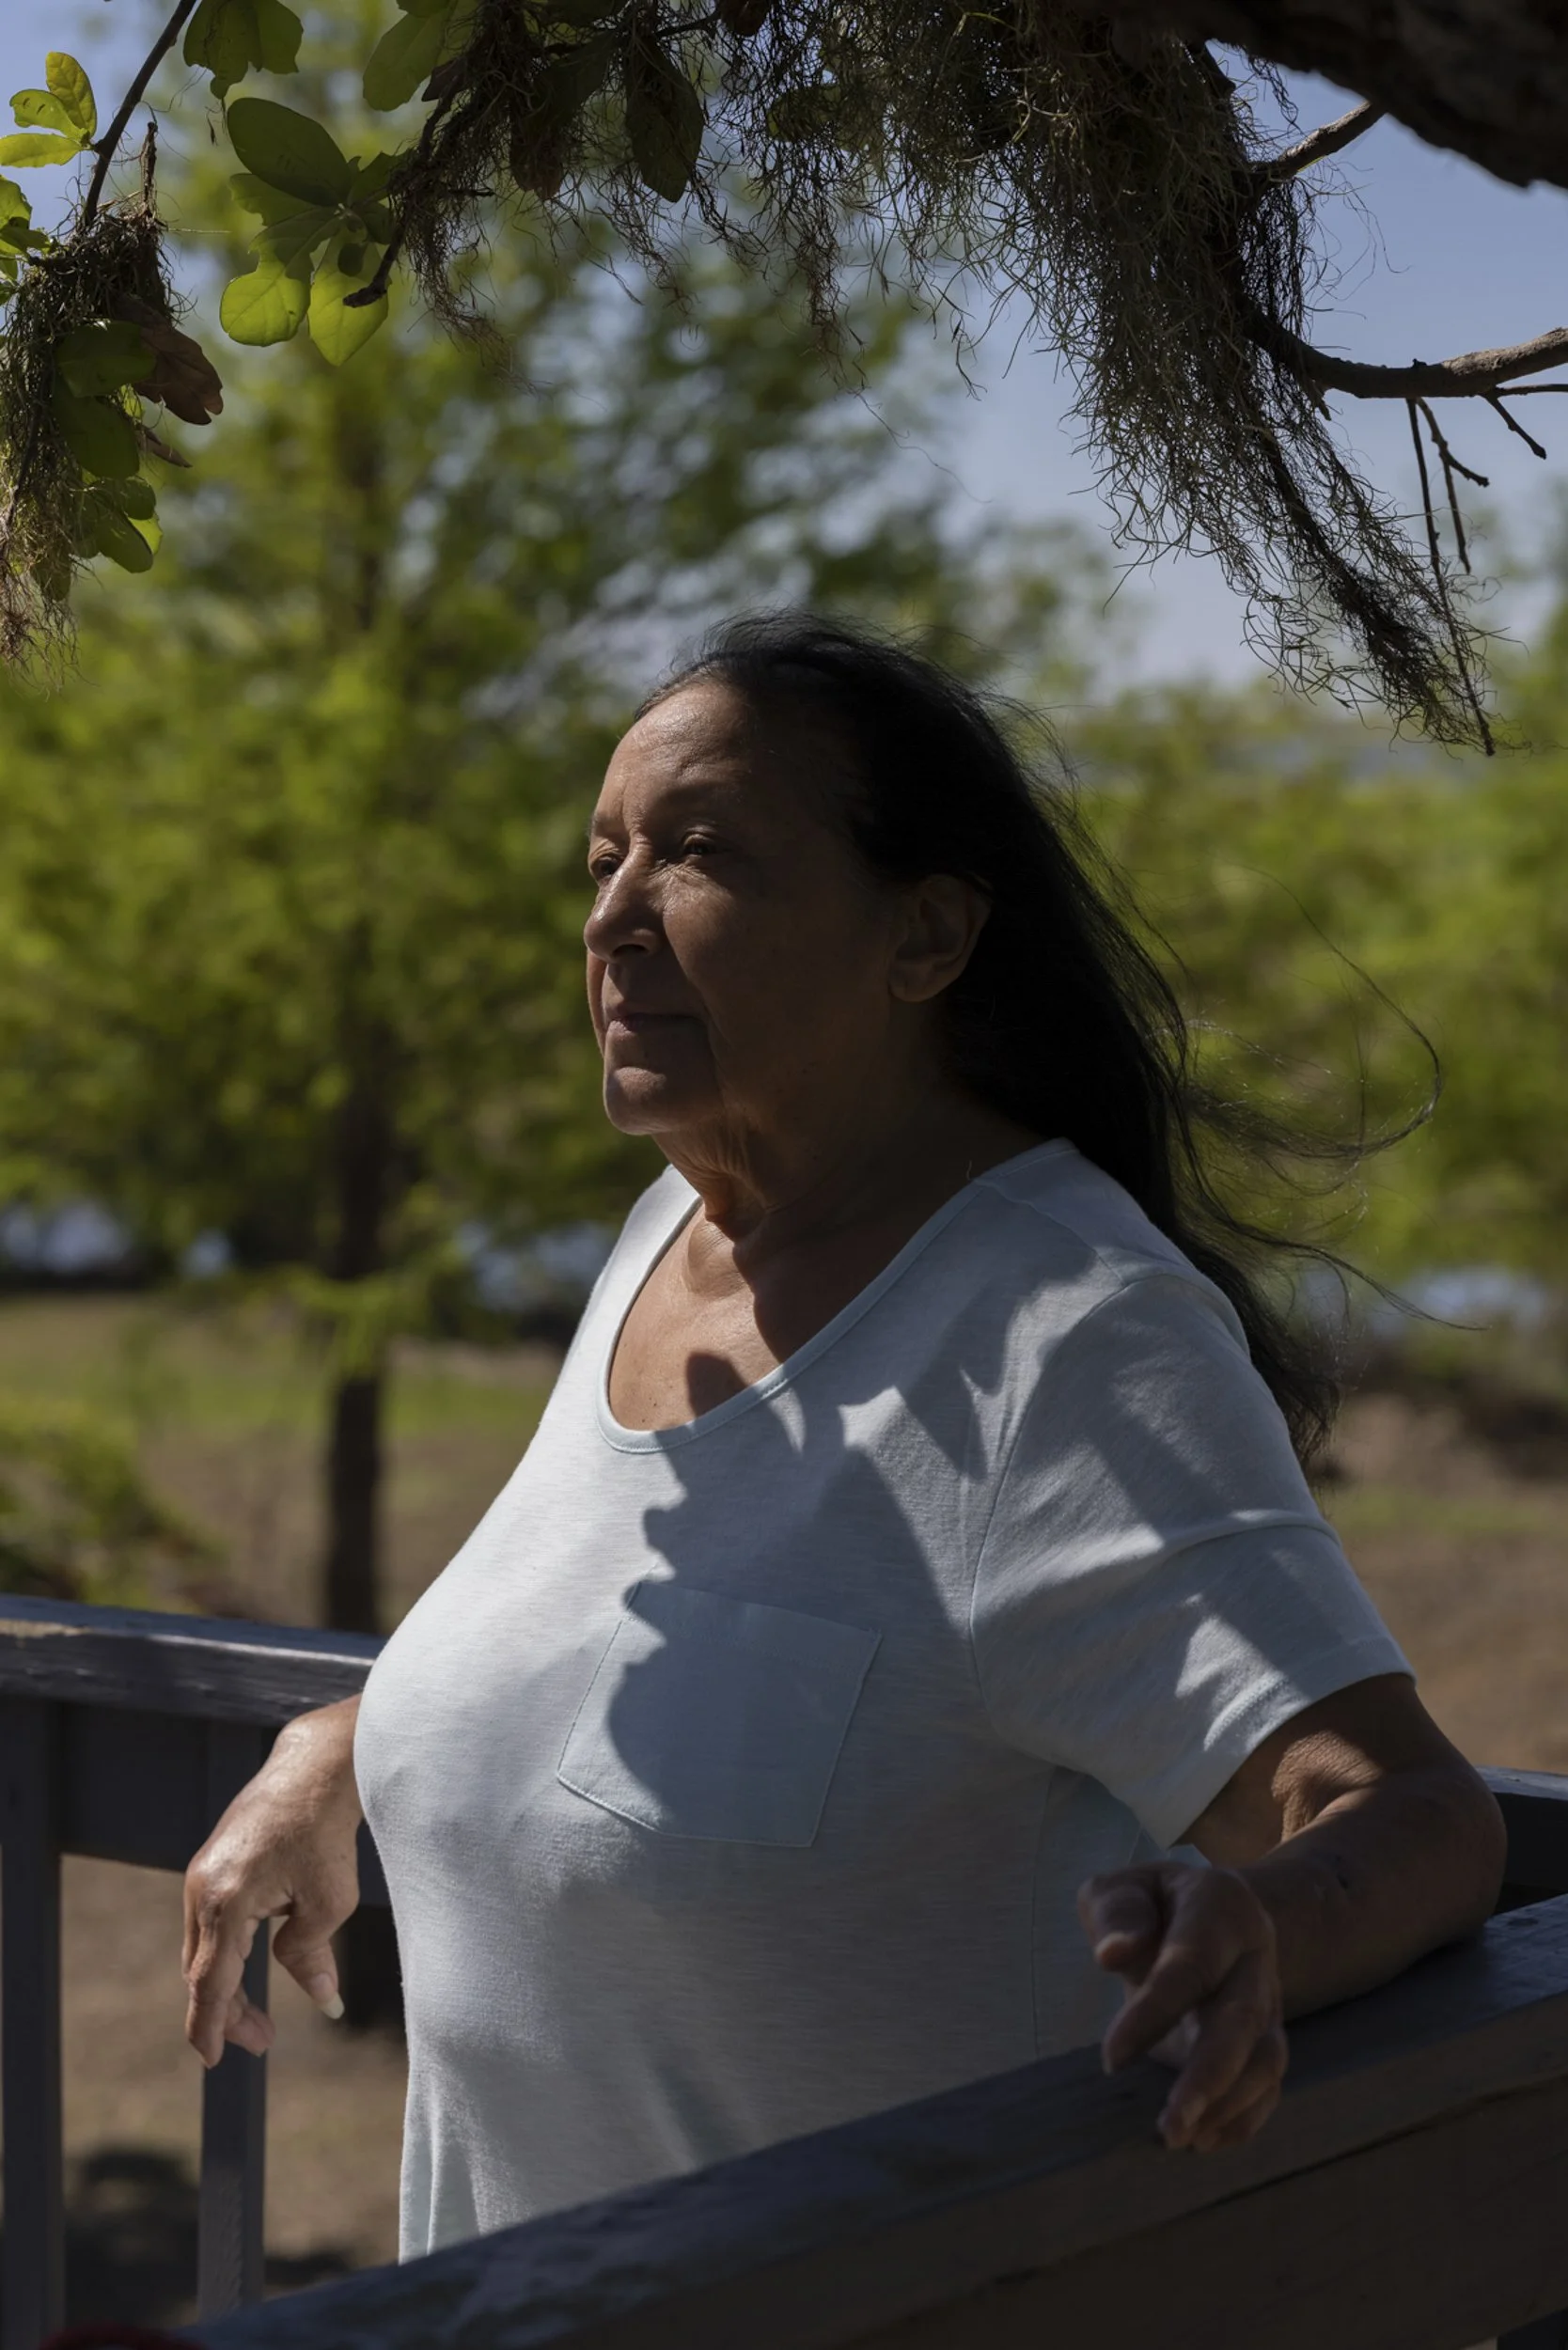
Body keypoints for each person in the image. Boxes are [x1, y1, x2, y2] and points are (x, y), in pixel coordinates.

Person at [182, 615, 1503, 2259]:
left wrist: (1260, 1932)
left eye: (700, 852)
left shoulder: (1068, 1336)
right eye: (601, 861)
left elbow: (1411, 1809)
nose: (609, 918)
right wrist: (352, 1743)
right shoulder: (676, 1235)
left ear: (928, 935)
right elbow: (692, 1628)